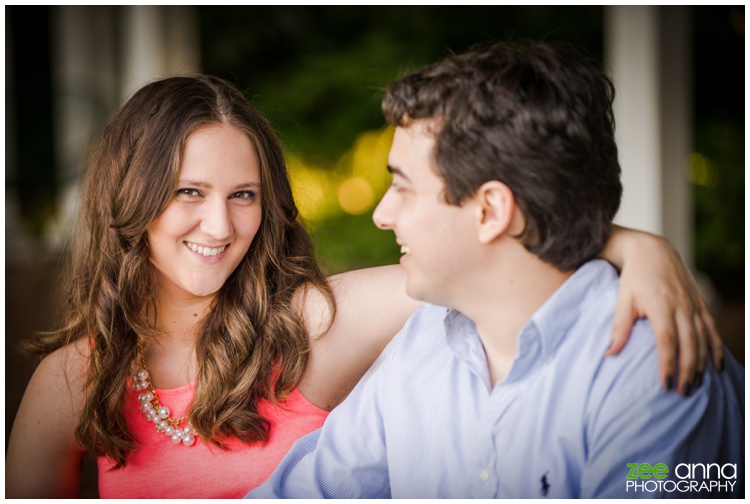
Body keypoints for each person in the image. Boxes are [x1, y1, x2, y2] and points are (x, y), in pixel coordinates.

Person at [4, 73, 723, 499]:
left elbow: (497, 256)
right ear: (130, 197)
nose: (220, 225)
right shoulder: (71, 380)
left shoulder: (313, 321)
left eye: (245, 195)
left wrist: (637, 246)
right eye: (189, 191)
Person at [248, 42, 744, 499]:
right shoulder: (424, 342)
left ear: (490, 210)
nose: (382, 214)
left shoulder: (654, 367)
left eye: (403, 187)